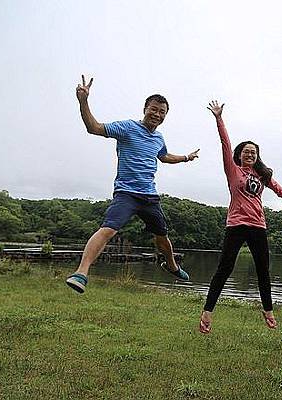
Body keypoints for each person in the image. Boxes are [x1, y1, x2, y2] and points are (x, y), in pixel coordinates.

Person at [65, 75, 198, 294]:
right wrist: (83, 102)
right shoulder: (127, 127)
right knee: (107, 229)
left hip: (150, 197)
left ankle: (173, 266)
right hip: (126, 193)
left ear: (165, 116)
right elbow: (94, 127)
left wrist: (186, 157)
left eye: (161, 112)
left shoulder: (159, 138)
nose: (156, 114)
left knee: (162, 237)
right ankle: (81, 273)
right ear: (145, 108)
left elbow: (163, 157)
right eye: (153, 109)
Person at [199, 100, 282, 334]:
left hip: (258, 226)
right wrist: (219, 118)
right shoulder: (233, 169)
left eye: (254, 152)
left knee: (263, 270)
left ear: (257, 156)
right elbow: (225, 144)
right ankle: (208, 311)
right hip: (236, 225)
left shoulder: (262, 176)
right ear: (239, 155)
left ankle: (267, 310)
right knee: (224, 268)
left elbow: (281, 191)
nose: (250, 154)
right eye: (246, 151)